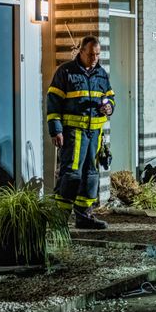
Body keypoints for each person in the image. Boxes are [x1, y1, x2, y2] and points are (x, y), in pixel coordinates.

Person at [47, 36, 114, 230]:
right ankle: (60, 219)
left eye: (98, 54)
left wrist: (109, 107)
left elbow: (110, 97)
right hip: (73, 133)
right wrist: (56, 130)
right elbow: (53, 102)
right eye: (91, 54)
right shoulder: (65, 72)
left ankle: (84, 216)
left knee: (91, 174)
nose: (95, 58)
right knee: (71, 174)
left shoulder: (101, 74)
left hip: (95, 133)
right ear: (81, 52)